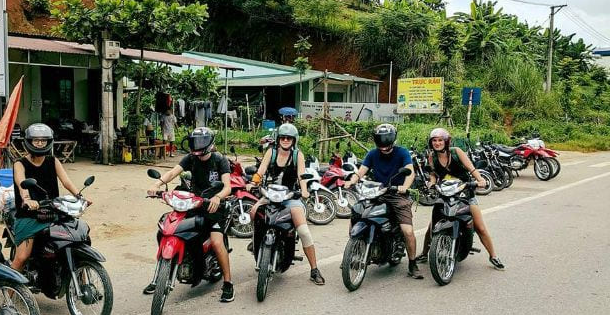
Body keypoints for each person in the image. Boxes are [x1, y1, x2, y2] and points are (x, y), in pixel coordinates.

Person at [144, 127, 235, 302]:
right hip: (193, 203)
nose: (197, 146)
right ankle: (160, 277)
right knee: (165, 229)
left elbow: (227, 186)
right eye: (195, 142)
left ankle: (228, 283)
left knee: (216, 242)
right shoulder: (190, 159)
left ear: (209, 143)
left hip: (214, 206)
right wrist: (156, 185)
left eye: (201, 142)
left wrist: (217, 197)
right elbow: (172, 173)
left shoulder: (220, 160)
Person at [248, 123, 326, 285]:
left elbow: (301, 176)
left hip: (290, 196)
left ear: (294, 140)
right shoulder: (271, 152)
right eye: (282, 137)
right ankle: (256, 241)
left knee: (304, 231)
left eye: (288, 138)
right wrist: (253, 182)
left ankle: (314, 269)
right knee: (254, 212)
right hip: (271, 194)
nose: (285, 140)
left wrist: (304, 191)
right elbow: (261, 171)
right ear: (278, 139)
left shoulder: (298, 155)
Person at [417, 128, 505, 270]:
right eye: (434, 140)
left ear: (446, 142)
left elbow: (471, 168)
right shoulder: (431, 156)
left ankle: (493, 256)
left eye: (440, 140)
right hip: (445, 193)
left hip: (464, 192)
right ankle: (425, 253)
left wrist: (480, 180)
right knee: (431, 226)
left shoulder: (456, 152)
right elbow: (433, 173)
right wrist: (431, 182)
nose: (437, 143)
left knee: (480, 227)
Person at [344, 123, 423, 279]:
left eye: (386, 140)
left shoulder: (402, 153)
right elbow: (361, 172)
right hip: (376, 192)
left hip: (396, 194)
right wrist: (352, 180)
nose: (384, 144)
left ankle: (413, 264)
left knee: (407, 231)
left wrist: (404, 187)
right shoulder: (373, 154)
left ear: (392, 139)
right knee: (358, 212)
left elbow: (410, 172)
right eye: (380, 140)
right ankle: (353, 251)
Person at [11, 123, 92, 272]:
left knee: (77, 237)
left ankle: (81, 281)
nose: (40, 143)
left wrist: (80, 197)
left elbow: (66, 181)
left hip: (53, 211)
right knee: (22, 257)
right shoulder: (20, 164)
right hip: (29, 214)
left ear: (49, 141)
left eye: (43, 140)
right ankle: (9, 291)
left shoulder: (52, 161)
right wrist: (27, 200)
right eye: (36, 140)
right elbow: (22, 184)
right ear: (29, 142)